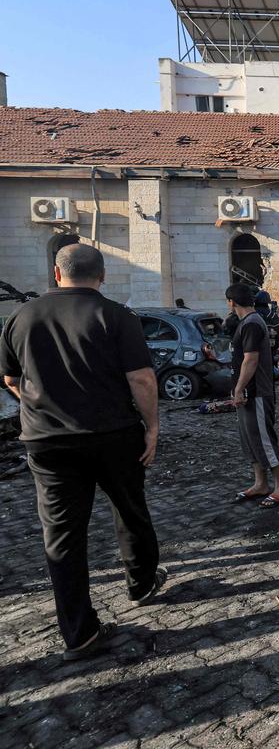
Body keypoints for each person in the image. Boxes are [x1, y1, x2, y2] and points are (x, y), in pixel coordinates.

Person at [0, 244, 166, 661]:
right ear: (103, 275)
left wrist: (43, 405)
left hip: (48, 441)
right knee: (130, 509)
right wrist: (152, 427)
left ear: (56, 274)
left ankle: (79, 632)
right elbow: (142, 379)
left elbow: (10, 378)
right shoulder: (116, 316)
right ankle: (142, 583)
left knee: (62, 536)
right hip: (112, 434)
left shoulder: (20, 317)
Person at [227, 283, 279, 508]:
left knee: (264, 440)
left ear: (231, 302)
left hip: (257, 392)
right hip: (246, 393)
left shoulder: (252, 323)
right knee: (250, 440)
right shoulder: (246, 323)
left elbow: (250, 359)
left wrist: (238, 388)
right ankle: (260, 483)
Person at [254, 290, 279, 358]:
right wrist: (277, 310)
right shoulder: (272, 314)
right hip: (271, 350)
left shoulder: (253, 314)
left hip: (257, 351)